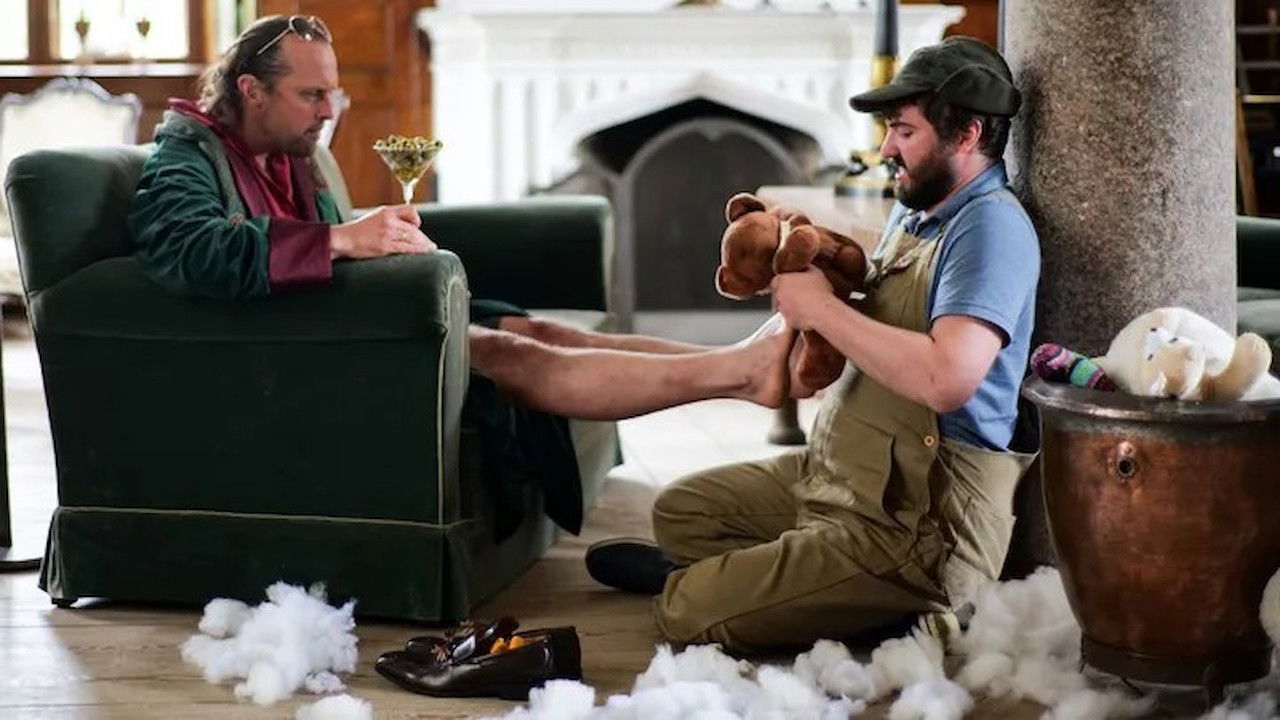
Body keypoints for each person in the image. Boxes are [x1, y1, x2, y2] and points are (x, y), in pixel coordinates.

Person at [586, 36, 1041, 654]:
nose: (886, 149)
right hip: (847, 476)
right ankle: (809, 591)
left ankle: (837, 596)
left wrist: (822, 309)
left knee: (688, 612)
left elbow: (947, 378)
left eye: (904, 131)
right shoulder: (919, 211)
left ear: (968, 135)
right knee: (682, 513)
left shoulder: (990, 228)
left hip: (920, 520)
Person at [127, 14, 794, 426]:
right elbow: (187, 249)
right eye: (311, 95)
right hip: (295, 348)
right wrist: (343, 238)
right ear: (250, 90)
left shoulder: (289, 150)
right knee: (510, 353)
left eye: (332, 94)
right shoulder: (187, 153)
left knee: (537, 327)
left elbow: (321, 245)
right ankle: (740, 375)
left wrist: (373, 241)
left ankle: (737, 357)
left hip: (344, 315)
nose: (329, 112)